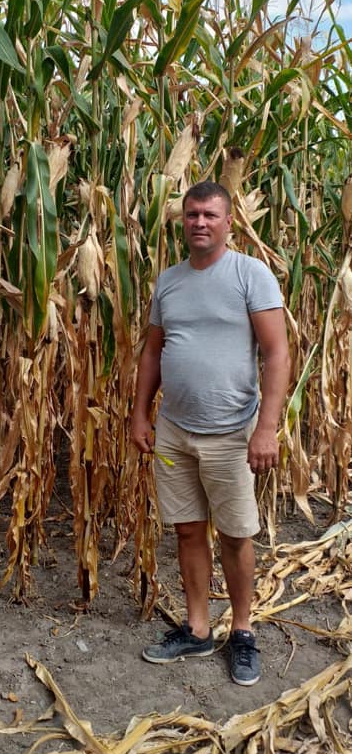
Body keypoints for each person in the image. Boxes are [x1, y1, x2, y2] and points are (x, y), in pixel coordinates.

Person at [131, 180, 291, 686]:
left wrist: (266, 428)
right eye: (192, 214)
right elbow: (153, 352)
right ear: (183, 220)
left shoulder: (250, 275)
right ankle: (198, 629)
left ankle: (241, 631)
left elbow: (277, 354)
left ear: (229, 222)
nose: (200, 222)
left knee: (235, 534)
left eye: (210, 215)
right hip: (176, 432)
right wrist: (139, 414)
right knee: (185, 529)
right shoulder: (170, 282)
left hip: (231, 434)